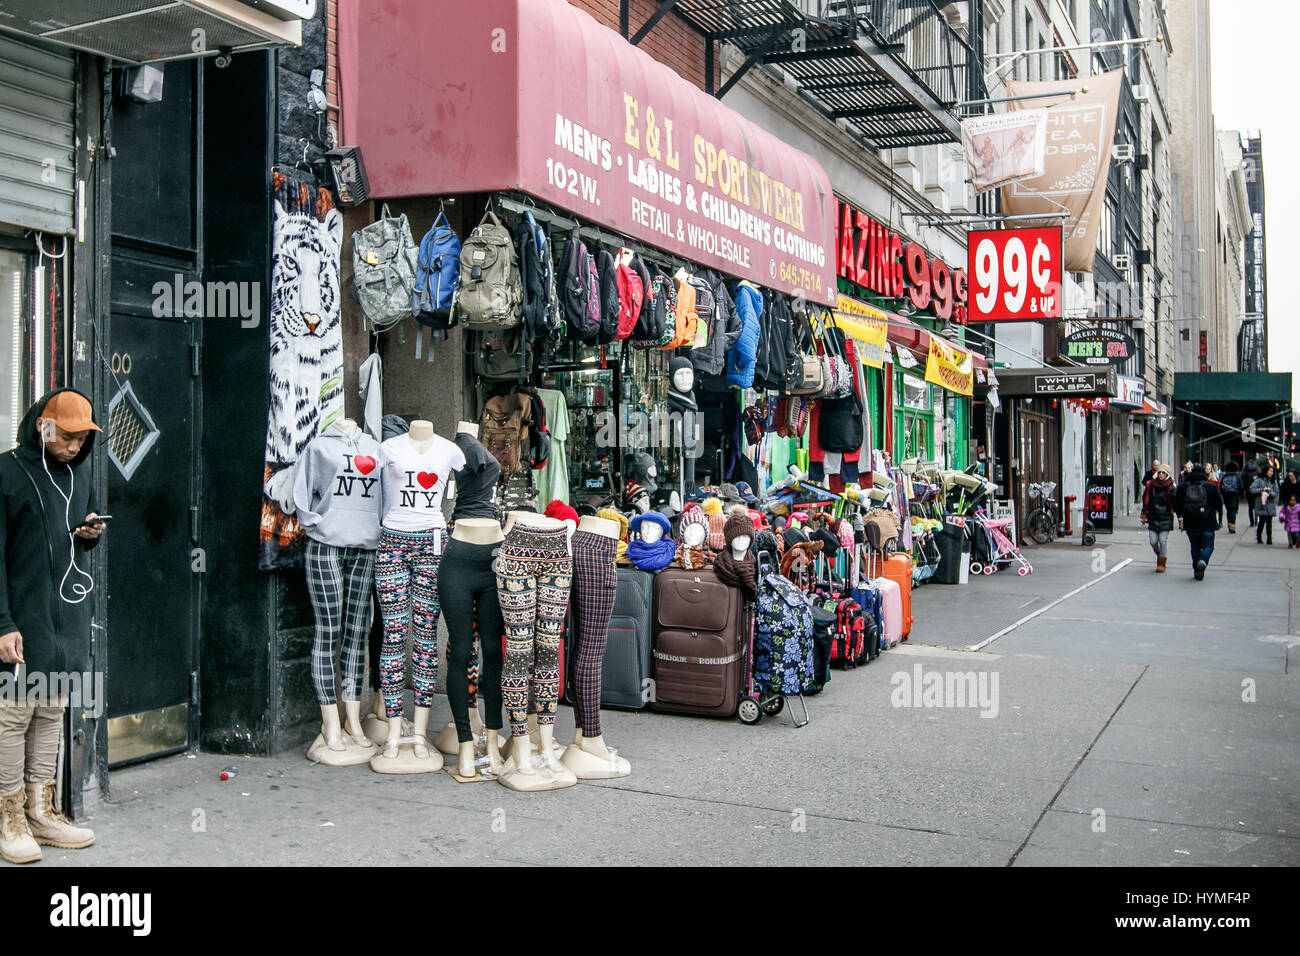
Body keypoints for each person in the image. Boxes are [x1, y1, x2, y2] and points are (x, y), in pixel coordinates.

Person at [0, 389, 104, 863]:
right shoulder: (7, 472)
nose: (74, 447)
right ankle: (9, 815)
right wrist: (3, 623)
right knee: (14, 714)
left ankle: (42, 812)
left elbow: (78, 544)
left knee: (51, 708)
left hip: (66, 614)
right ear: (43, 427)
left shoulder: (79, 474)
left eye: (83, 439)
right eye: (67, 437)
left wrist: (88, 536)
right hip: (22, 615)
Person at [1173, 463, 1223, 582]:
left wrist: (1180, 518)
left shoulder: (1183, 487)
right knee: (1209, 545)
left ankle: (1196, 568)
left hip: (1190, 521)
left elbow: (1177, 504)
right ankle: (1203, 561)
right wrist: (1219, 519)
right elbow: (1219, 503)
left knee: (1194, 545)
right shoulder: (1211, 487)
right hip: (1208, 521)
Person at [1140, 463, 1177, 572]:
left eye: (1163, 473)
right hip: (1153, 516)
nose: (1161, 475)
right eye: (1159, 472)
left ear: (1167, 475)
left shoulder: (1171, 486)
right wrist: (1144, 513)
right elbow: (1145, 500)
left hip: (1166, 517)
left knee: (1163, 540)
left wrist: (1180, 517)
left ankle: (1161, 563)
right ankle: (1160, 554)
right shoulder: (1150, 485)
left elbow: (1175, 503)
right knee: (1153, 541)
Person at [1250, 465, 1280, 545]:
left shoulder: (1273, 481)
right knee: (1262, 521)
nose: (1271, 473)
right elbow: (1252, 489)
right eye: (1270, 471)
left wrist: (1270, 494)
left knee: (1269, 522)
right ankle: (1259, 537)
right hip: (1261, 504)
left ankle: (1269, 538)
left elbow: (1276, 492)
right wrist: (1262, 490)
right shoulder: (1259, 480)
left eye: (1272, 471)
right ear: (1266, 471)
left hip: (1270, 504)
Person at [1218, 461, 1243, 533]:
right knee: (1233, 510)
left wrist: (1223, 493)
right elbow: (1241, 485)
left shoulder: (1224, 475)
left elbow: (1221, 486)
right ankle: (1232, 524)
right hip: (1235, 494)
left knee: (1228, 509)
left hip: (1226, 495)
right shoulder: (1237, 475)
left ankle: (1229, 523)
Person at [1242, 456, 1260, 527]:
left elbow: (1243, 482)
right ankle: (1256, 521)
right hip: (1255, 491)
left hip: (1248, 491)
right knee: (1256, 506)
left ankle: (1251, 522)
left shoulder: (1244, 472)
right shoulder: (1257, 472)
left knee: (1250, 507)